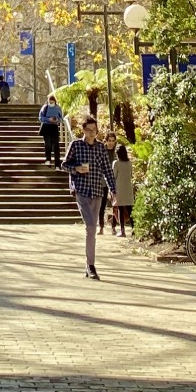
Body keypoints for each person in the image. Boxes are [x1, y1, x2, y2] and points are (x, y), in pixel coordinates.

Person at [62, 117, 116, 279]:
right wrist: (77, 168)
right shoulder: (76, 145)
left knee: (92, 229)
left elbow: (107, 170)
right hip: (82, 191)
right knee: (91, 227)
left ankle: (89, 265)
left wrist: (113, 190)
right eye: (89, 130)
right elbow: (64, 164)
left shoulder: (100, 148)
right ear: (83, 130)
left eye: (94, 130)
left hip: (97, 192)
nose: (92, 133)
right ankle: (91, 265)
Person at [96, 130, 119, 236]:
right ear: (106, 141)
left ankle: (113, 227)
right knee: (102, 205)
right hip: (103, 181)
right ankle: (101, 226)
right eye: (109, 140)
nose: (111, 143)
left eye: (113, 141)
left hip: (114, 181)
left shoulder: (116, 153)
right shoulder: (102, 151)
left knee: (115, 205)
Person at [111, 143, 135, 236]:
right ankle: (134, 229)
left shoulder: (116, 163)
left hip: (119, 187)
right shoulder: (129, 163)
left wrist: (112, 190)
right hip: (128, 187)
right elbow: (131, 174)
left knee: (120, 209)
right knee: (130, 209)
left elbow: (113, 176)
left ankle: (122, 230)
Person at [38, 94, 64, 166]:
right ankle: (48, 159)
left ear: (55, 101)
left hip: (54, 127)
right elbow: (40, 117)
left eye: (52, 102)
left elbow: (61, 119)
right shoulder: (45, 107)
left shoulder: (58, 108)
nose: (51, 103)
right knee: (48, 144)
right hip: (46, 126)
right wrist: (48, 119)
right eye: (50, 102)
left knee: (56, 145)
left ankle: (57, 163)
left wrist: (56, 119)